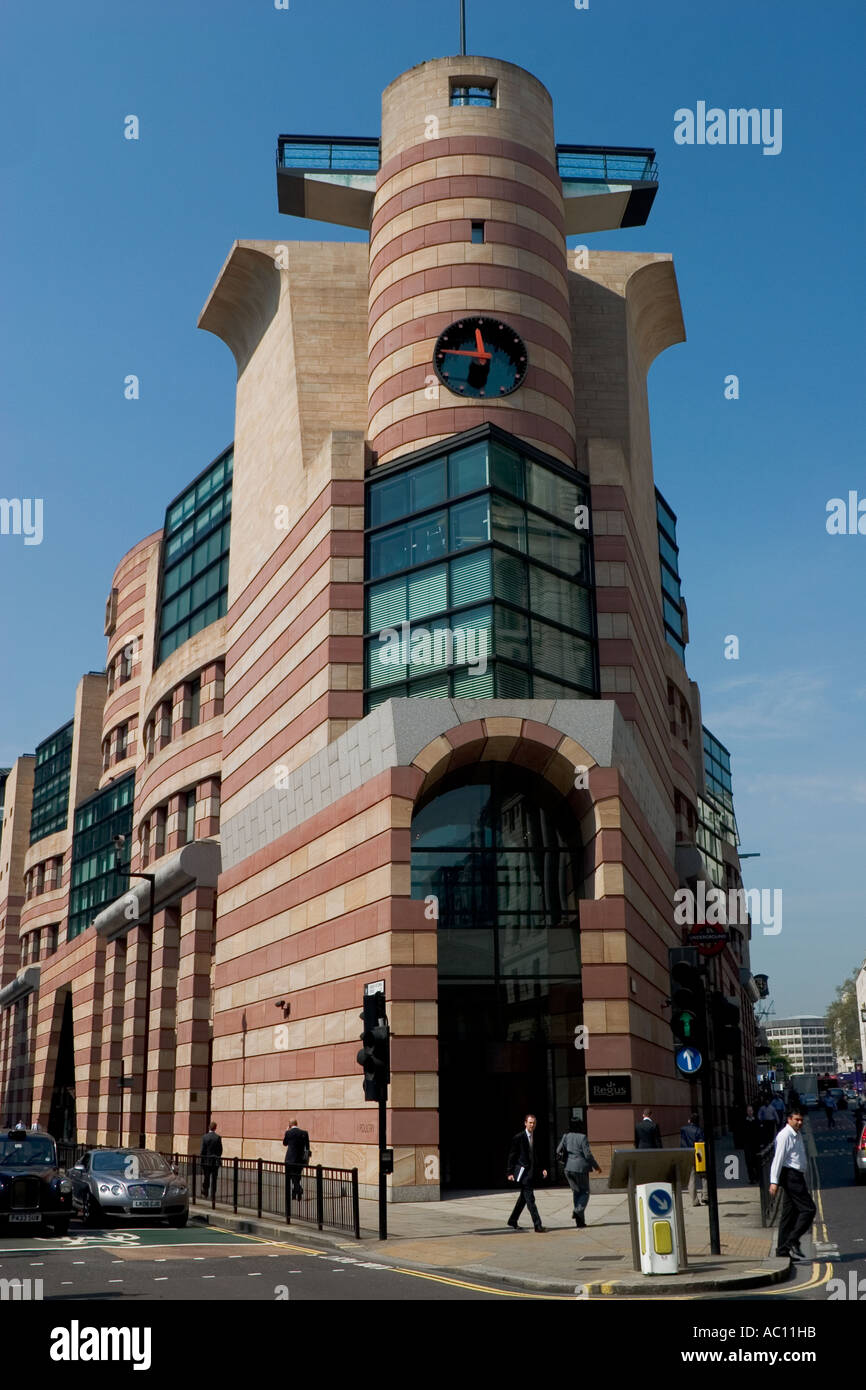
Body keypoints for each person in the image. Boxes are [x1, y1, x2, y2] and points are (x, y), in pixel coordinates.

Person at [770, 1108, 816, 1261]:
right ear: (789, 1119)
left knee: (788, 1215)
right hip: (791, 1176)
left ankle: (782, 1250)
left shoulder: (796, 1134)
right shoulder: (785, 1135)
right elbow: (778, 1158)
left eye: (801, 1120)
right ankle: (792, 1240)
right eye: (796, 1120)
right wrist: (773, 1181)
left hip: (796, 1175)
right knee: (809, 1209)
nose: (799, 1123)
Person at [506, 1113, 548, 1232]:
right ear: (525, 1123)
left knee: (523, 1198)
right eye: (530, 1122)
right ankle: (537, 1225)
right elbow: (512, 1156)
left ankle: (513, 1220)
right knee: (530, 1199)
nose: (532, 1125)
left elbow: (536, 1155)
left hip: (532, 1172)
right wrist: (509, 1172)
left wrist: (543, 1168)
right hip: (523, 1173)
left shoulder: (536, 1136)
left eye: (534, 1123)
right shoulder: (518, 1137)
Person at [556, 1122, 601, 1228]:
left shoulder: (566, 1136)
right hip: (580, 1169)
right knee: (585, 1192)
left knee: (576, 1193)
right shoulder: (583, 1137)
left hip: (568, 1168)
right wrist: (596, 1166)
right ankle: (577, 1211)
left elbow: (558, 1150)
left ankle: (580, 1222)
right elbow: (587, 1155)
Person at [680, 1111, 705, 1206]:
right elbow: (701, 1144)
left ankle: (694, 1200)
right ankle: (705, 1196)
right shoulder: (699, 1130)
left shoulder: (683, 1129)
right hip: (698, 1155)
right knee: (704, 1176)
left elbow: (682, 1143)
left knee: (691, 1179)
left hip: (688, 1155)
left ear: (689, 1120)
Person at [283, 1118, 311, 1201]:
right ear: (297, 1123)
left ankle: (298, 1190)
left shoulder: (288, 1132)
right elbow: (308, 1147)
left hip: (290, 1159)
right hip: (300, 1159)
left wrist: (286, 1131)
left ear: (290, 1125)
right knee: (297, 1176)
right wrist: (307, 1159)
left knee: (292, 1176)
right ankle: (295, 1193)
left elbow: (285, 1143)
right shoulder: (304, 1133)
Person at [200, 1120, 222, 1199]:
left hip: (207, 1161)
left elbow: (203, 1150)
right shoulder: (218, 1137)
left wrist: (202, 1160)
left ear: (209, 1127)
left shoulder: (205, 1137)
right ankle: (213, 1194)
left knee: (206, 1177)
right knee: (214, 1179)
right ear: (215, 1128)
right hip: (215, 1161)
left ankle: (205, 1192)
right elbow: (220, 1150)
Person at [742, 1104, 761, 1183]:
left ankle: (757, 1177)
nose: (749, 1112)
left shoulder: (757, 1121)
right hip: (747, 1144)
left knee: (756, 1161)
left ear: (753, 1111)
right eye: (748, 1111)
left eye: (751, 1110)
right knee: (748, 1161)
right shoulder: (744, 1121)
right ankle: (751, 1178)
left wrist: (761, 1142)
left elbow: (760, 1132)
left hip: (756, 1144)